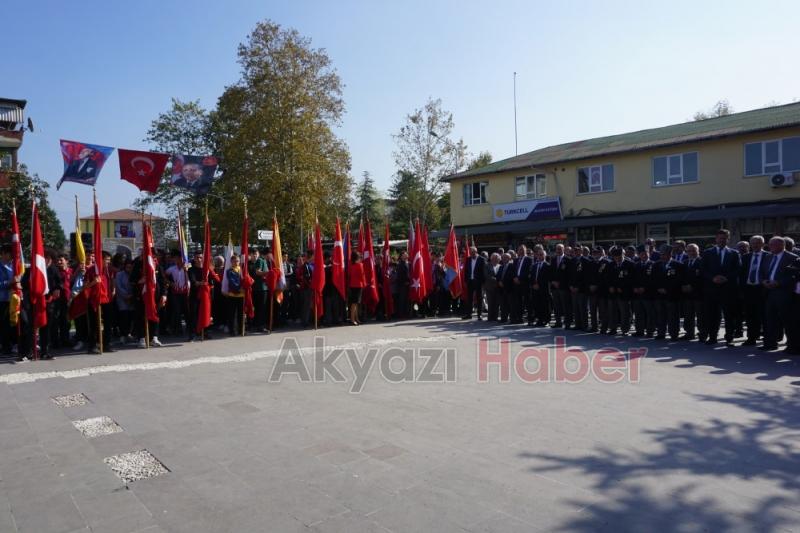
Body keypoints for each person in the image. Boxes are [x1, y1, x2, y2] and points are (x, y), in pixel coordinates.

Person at [702, 229, 741, 346]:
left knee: (729, 315)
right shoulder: (707, 252)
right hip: (712, 289)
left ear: (728, 239)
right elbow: (703, 269)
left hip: (728, 289)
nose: (722, 240)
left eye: (724, 238)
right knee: (712, 314)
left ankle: (729, 338)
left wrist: (726, 278)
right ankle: (712, 337)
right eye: (720, 238)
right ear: (716, 239)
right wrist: (712, 278)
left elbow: (738, 269)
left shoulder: (734, 253)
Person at [760, 237, 798, 351]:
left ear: (781, 245)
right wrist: (764, 281)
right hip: (769, 292)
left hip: (784, 293)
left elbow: (794, 276)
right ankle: (771, 343)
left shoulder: (792, 258)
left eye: (773, 245)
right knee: (770, 318)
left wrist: (779, 283)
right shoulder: (768, 257)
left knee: (788, 320)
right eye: (770, 245)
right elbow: (762, 272)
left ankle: (792, 345)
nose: (770, 247)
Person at [740, 235, 769, 346]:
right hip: (748, 290)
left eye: (758, 243)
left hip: (762, 289)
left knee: (764, 315)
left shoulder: (768, 256)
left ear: (763, 244)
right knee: (750, 315)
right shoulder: (746, 257)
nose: (755, 245)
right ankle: (751, 338)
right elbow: (741, 273)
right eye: (753, 243)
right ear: (750, 244)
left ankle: (768, 338)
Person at [607, 247, 634, 336]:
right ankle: (613, 328)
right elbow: (608, 278)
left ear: (623, 255)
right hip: (613, 292)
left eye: (619, 256)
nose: (617, 258)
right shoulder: (610, 264)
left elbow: (631, 279)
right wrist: (611, 286)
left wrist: (622, 287)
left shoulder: (629, 264)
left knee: (625, 312)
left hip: (624, 292)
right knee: (612, 311)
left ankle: (625, 329)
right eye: (615, 256)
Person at [165, 251, 192, 340]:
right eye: (177, 258)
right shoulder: (172, 269)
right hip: (176, 293)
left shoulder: (188, 267)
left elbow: (191, 277)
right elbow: (163, 276)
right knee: (177, 311)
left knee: (187, 311)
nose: (179, 260)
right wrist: (170, 283)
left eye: (180, 258)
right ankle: (178, 329)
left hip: (186, 293)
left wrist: (186, 270)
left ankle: (190, 329)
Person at [682, 244, 705, 341]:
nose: (691, 252)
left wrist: (693, 286)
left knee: (700, 315)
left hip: (699, 294)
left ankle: (703, 333)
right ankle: (689, 333)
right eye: (689, 251)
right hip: (687, 294)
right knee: (688, 315)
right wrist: (684, 286)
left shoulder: (702, 262)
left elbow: (704, 278)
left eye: (693, 250)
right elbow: (682, 277)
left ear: (698, 251)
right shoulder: (685, 262)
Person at [550, 244, 572, 328]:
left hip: (563, 287)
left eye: (560, 249)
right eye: (557, 249)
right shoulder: (553, 259)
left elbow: (568, 275)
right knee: (556, 306)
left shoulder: (567, 260)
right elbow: (551, 272)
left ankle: (567, 323)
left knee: (565, 305)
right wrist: (553, 281)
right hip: (554, 287)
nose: (558, 250)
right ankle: (558, 322)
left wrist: (560, 282)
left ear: (563, 249)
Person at [509, 245, 531, 324]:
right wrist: (514, 278)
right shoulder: (515, 260)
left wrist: (520, 279)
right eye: (519, 250)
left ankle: (530, 319)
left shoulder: (529, 259)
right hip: (516, 284)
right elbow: (513, 271)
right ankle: (519, 318)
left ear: (525, 250)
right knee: (518, 302)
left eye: (522, 249)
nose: (520, 251)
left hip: (524, 283)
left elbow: (529, 271)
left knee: (527, 302)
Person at [224, 254, 245, 336]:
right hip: (233, 295)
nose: (236, 263)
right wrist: (239, 289)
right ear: (231, 262)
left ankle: (241, 330)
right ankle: (231, 331)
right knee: (231, 314)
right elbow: (232, 282)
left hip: (241, 296)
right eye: (235, 261)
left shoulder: (242, 270)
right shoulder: (229, 271)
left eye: (238, 261)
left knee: (241, 314)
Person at [530, 248, 552, 327]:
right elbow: (532, 276)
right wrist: (533, 284)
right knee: (537, 304)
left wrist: (539, 285)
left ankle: (546, 320)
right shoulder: (534, 265)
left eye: (541, 254)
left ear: (545, 256)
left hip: (544, 289)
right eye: (539, 254)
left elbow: (548, 278)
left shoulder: (547, 265)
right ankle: (539, 319)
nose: (540, 256)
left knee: (545, 305)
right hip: (535, 289)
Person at [462, 246, 486, 320]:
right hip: (470, 281)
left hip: (478, 282)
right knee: (469, 299)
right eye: (470, 253)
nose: (471, 254)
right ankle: (469, 314)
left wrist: (482, 282)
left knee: (479, 298)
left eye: (473, 253)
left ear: (476, 252)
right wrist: (466, 281)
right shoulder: (468, 259)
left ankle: (479, 315)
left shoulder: (482, 259)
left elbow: (483, 272)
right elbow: (466, 270)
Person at [115, 259, 134, 343]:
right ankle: (123, 335)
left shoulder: (134, 274)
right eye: (127, 267)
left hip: (132, 298)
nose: (129, 268)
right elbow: (118, 287)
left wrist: (131, 296)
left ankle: (129, 333)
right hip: (122, 299)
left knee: (131, 316)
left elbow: (135, 285)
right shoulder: (119, 274)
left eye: (130, 267)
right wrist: (126, 296)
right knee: (123, 316)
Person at [348, 251, 366, 325]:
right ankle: (353, 319)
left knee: (355, 303)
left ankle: (356, 318)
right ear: (357, 258)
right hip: (358, 285)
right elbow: (362, 276)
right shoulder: (360, 265)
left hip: (352, 285)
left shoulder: (351, 266)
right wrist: (364, 284)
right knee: (355, 303)